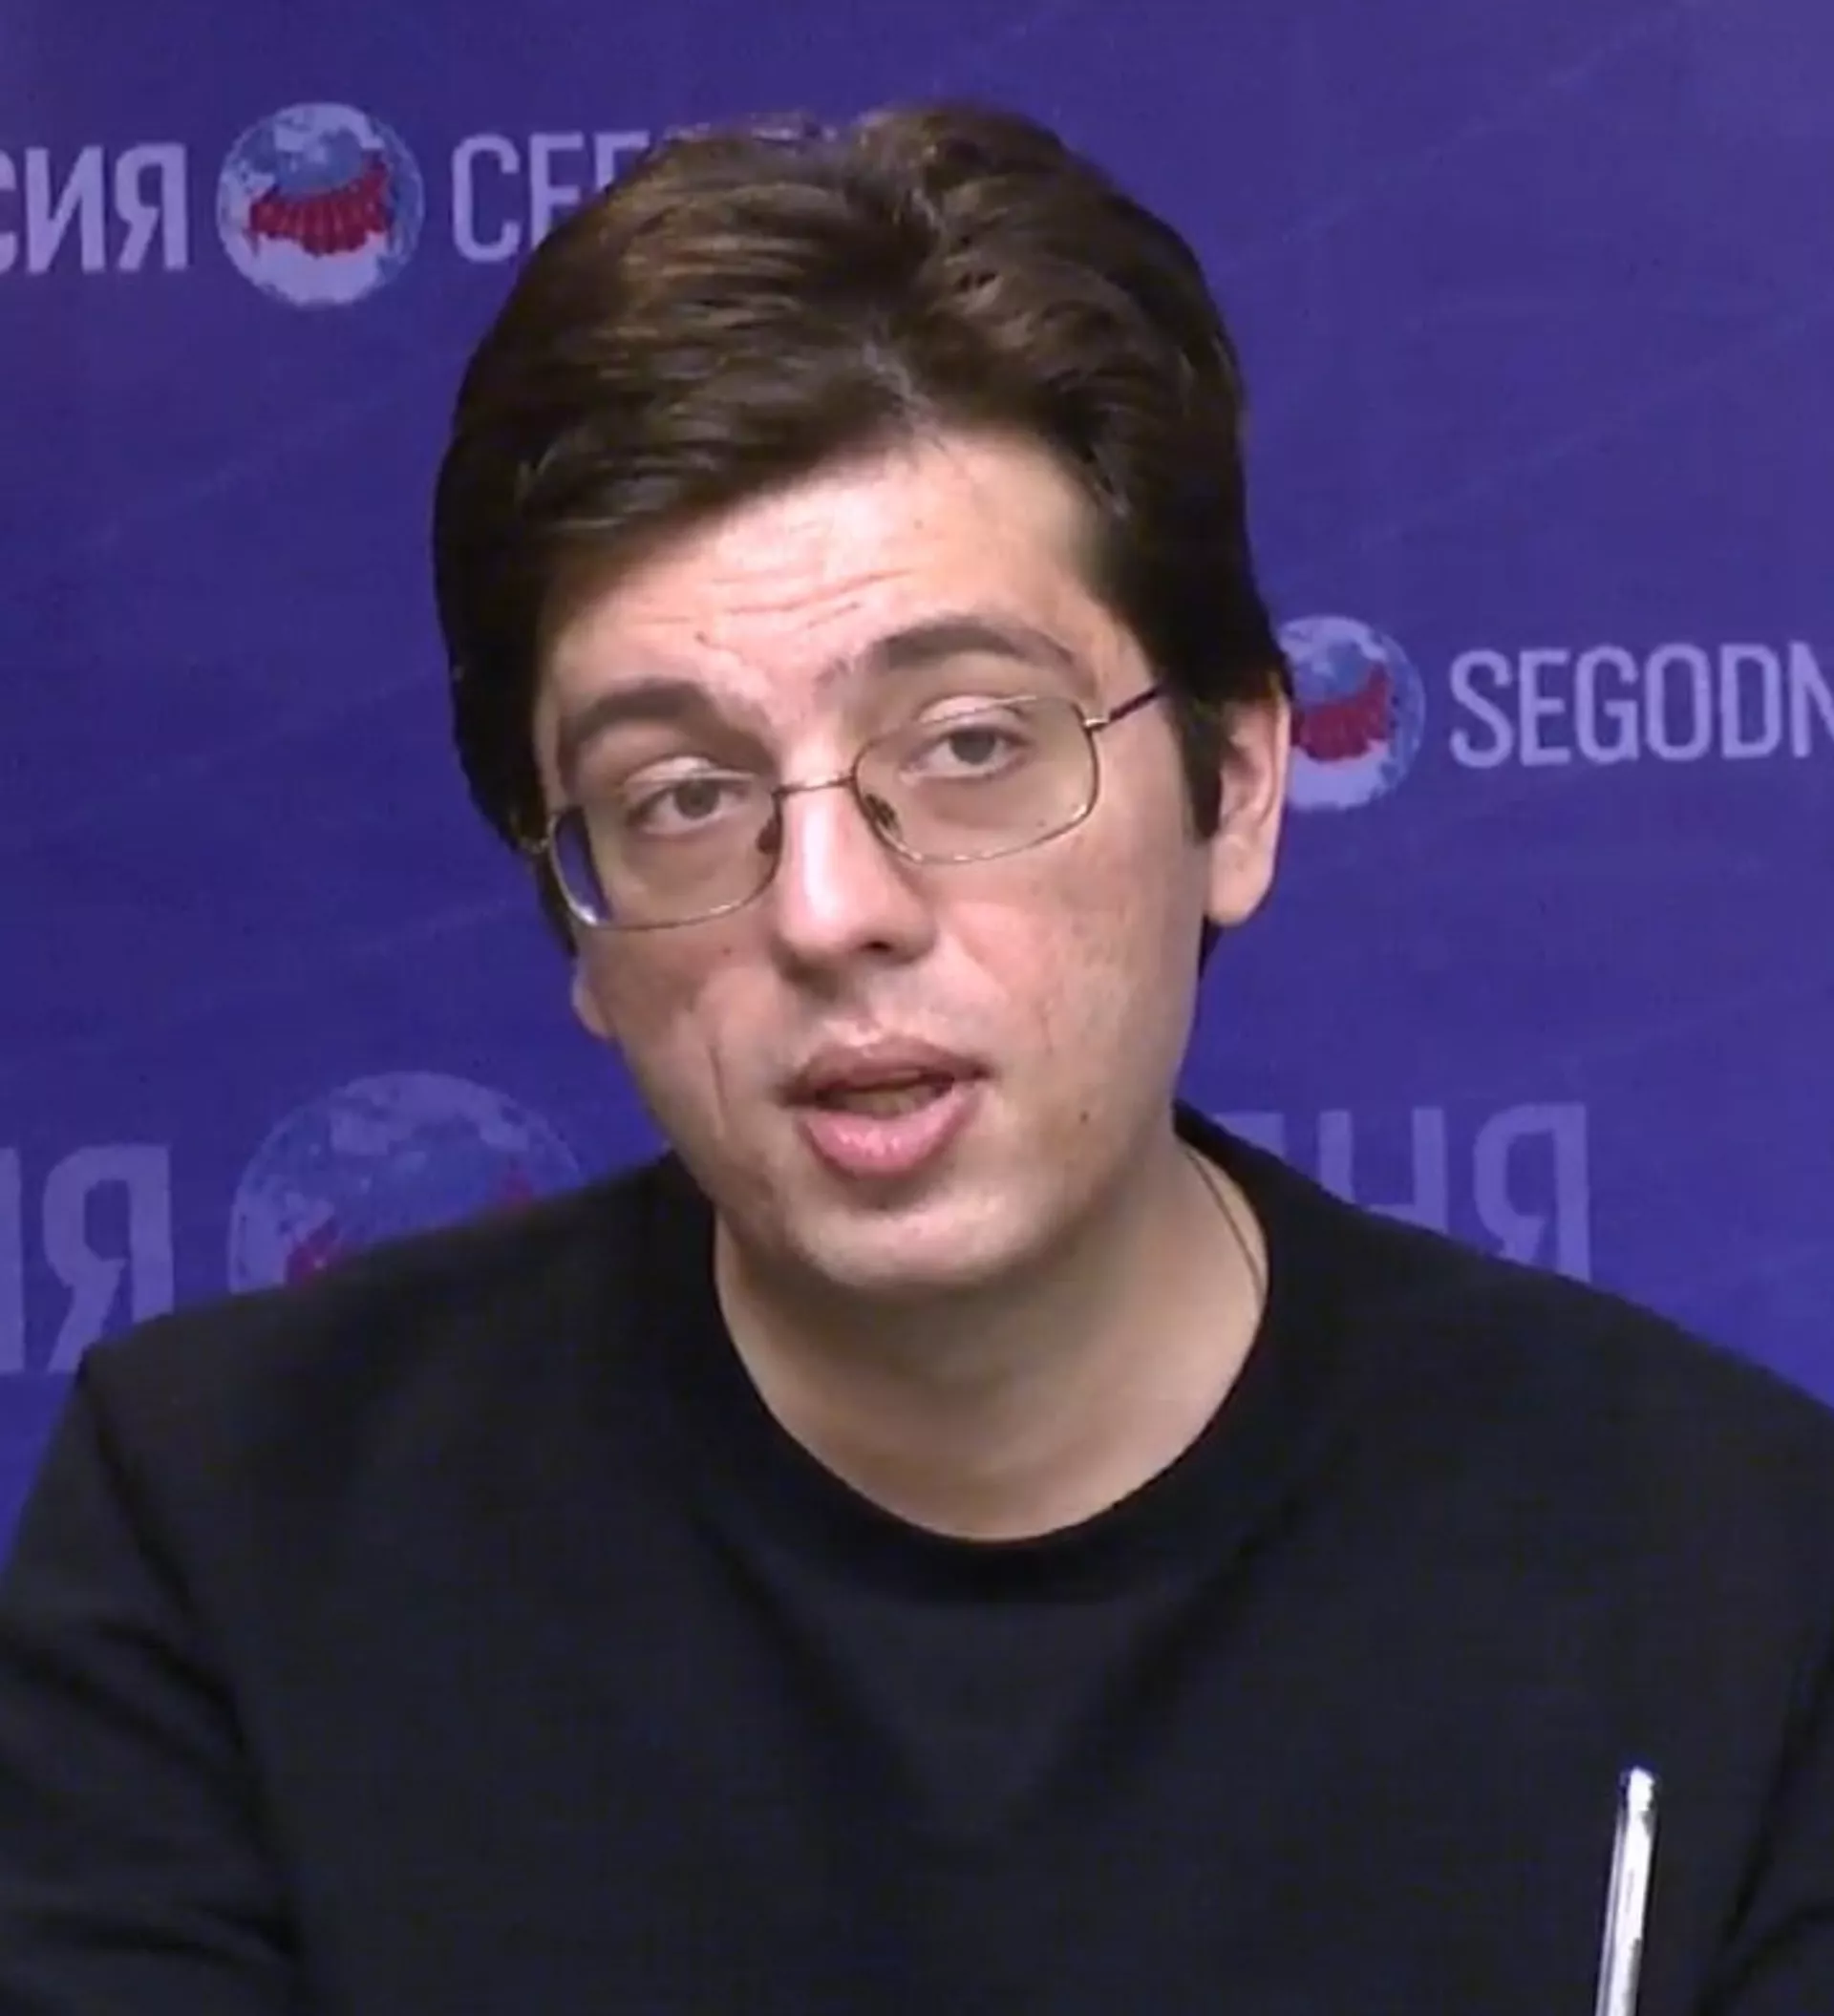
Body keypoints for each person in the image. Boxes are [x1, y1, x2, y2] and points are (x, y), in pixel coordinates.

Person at [0, 102, 1830, 2016]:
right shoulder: (231, 1541)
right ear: (576, 922)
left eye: (967, 745)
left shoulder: (1719, 1565)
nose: (827, 908)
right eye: (681, 794)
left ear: (1235, 784)